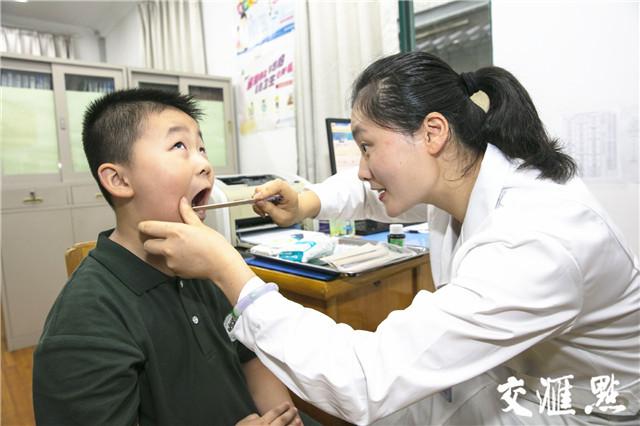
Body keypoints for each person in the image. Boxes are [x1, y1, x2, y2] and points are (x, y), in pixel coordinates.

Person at [138, 52, 640, 425]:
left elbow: (365, 379)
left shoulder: (535, 243)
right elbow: (376, 195)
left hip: (577, 409)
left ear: (432, 132)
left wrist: (230, 271)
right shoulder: (468, 177)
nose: (361, 169)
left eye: (367, 146)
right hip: (515, 380)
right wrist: (306, 202)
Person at [32, 88, 306, 426]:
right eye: (180, 146)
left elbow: (251, 358)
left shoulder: (206, 267)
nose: (205, 164)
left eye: (202, 148)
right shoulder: (83, 324)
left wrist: (284, 416)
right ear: (118, 179)